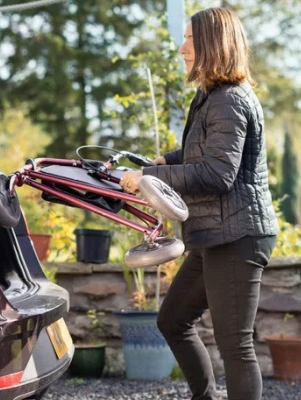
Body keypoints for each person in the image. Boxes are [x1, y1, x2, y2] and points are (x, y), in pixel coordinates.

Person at [119, 7, 279, 400]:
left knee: (236, 347)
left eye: (189, 39)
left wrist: (151, 179)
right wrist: (163, 162)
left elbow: (218, 173)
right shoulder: (212, 97)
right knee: (173, 320)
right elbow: (202, 152)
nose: (181, 49)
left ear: (212, 43)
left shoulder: (229, 100)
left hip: (238, 237)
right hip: (215, 235)